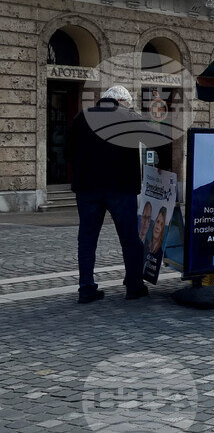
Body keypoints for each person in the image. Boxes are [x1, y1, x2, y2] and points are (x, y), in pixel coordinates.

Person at [69, 85, 149, 303]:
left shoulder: (81, 116)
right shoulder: (128, 115)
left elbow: (69, 148)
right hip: (121, 187)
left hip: (86, 188)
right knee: (129, 238)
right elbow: (154, 139)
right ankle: (134, 285)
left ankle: (86, 288)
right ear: (122, 101)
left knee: (87, 238)